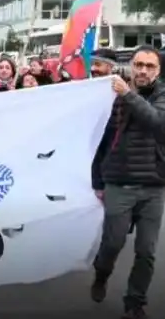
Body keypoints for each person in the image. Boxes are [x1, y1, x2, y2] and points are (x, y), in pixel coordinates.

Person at [91, 46, 165, 319]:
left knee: (146, 251)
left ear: (158, 71)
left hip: (153, 186)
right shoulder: (111, 94)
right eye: (139, 64)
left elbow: (158, 123)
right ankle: (101, 274)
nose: (143, 70)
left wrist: (128, 94)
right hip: (119, 184)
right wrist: (97, 180)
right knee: (113, 243)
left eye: (150, 66)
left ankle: (135, 303)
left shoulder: (159, 95)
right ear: (131, 66)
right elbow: (99, 141)